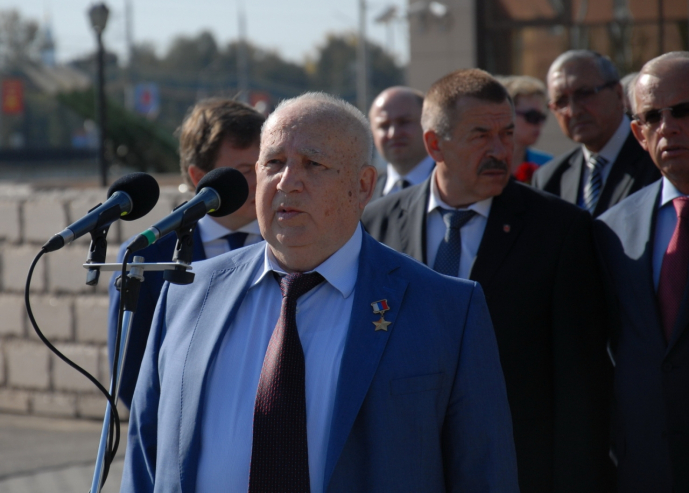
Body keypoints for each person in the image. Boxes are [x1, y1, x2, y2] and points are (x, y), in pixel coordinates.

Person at [121, 92, 519, 493]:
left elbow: (484, 472)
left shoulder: (446, 309)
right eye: (273, 163)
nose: (287, 182)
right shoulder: (187, 294)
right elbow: (145, 454)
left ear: (363, 186)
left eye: (313, 164)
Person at [363, 69, 611, 493]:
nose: (500, 150)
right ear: (435, 144)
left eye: (507, 133)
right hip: (405, 466)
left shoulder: (559, 230)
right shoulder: (376, 223)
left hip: (517, 469)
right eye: (481, 135)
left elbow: (581, 382)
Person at [107, 98, 265, 408]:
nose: (260, 180)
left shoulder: (295, 243)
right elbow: (130, 377)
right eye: (245, 170)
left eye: (266, 164)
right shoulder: (148, 256)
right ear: (199, 177)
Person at [594, 52, 689, 493]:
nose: (668, 127)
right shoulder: (612, 229)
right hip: (647, 469)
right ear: (638, 133)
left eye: (683, 110)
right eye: (652, 116)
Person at [533, 50, 659, 216]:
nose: (574, 111)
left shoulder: (659, 160)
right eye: (561, 101)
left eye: (584, 94)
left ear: (618, 94)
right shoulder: (549, 178)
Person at [368, 86, 434, 197]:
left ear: (429, 123)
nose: (393, 134)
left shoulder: (457, 185)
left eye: (404, 122)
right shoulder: (363, 196)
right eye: (384, 125)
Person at [497, 75, 552, 183]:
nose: (540, 124)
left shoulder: (547, 165)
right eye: (533, 116)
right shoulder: (484, 163)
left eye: (542, 117)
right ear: (506, 114)